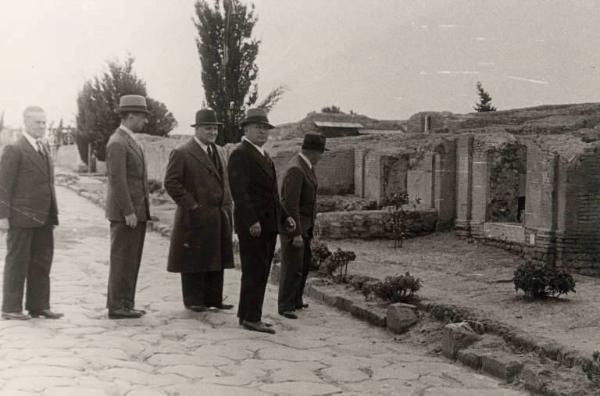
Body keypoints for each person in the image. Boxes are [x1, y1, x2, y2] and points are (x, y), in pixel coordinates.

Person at [228, 108, 295, 334]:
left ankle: (247, 314)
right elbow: (240, 192)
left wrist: (285, 216)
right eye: (258, 128)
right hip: (254, 226)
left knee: (261, 269)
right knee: (254, 270)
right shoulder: (240, 153)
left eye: (265, 128)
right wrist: (251, 221)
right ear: (246, 129)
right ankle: (251, 318)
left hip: (269, 223)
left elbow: (273, 194)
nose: (262, 132)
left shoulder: (265, 156)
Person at [164, 108, 234, 312]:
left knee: (215, 256)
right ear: (197, 129)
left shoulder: (220, 151)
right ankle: (193, 300)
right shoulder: (183, 152)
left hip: (218, 215)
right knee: (194, 258)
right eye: (207, 128)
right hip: (194, 216)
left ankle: (214, 298)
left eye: (214, 128)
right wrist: (192, 205)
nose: (212, 132)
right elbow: (171, 182)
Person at [0, 106, 62, 320]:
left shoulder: (43, 147)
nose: (43, 127)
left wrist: (53, 213)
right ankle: (10, 308)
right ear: (25, 123)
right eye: (38, 122)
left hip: (44, 217)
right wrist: (3, 217)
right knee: (17, 261)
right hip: (21, 218)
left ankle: (39, 305)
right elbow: (4, 185)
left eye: (45, 122)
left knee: (42, 261)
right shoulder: (14, 149)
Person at [105, 95, 151, 319]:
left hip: (136, 213)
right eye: (142, 116)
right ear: (130, 115)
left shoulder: (129, 140)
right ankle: (117, 306)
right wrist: (128, 211)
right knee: (122, 259)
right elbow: (118, 180)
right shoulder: (117, 142)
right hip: (127, 214)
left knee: (131, 259)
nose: (145, 121)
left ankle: (127, 303)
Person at [278, 133, 327, 319]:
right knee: (292, 266)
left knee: (303, 264)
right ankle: (285, 305)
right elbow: (290, 204)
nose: (321, 158)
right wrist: (296, 233)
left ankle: (296, 300)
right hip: (295, 227)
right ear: (314, 152)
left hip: (305, 226)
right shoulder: (296, 169)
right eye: (321, 153)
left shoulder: (306, 166)